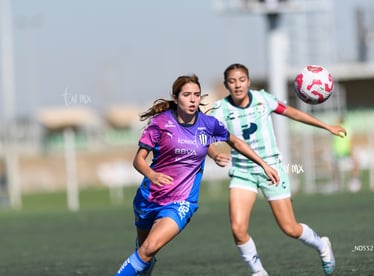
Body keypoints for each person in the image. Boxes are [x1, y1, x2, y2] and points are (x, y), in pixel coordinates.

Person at [114, 74, 280, 276]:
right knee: (144, 252)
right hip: (148, 198)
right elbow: (138, 160)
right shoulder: (161, 122)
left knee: (149, 248)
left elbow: (232, 142)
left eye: (196, 95)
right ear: (176, 98)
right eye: (186, 95)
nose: (193, 99)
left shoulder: (208, 123)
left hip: (181, 202)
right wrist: (152, 174)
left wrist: (263, 164)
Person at [208, 63, 347, 276]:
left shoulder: (263, 99)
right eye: (232, 81)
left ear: (248, 81)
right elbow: (204, 137)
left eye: (241, 79)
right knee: (238, 229)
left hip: (271, 169)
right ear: (226, 85)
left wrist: (327, 127)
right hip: (242, 172)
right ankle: (259, 272)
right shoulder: (220, 109)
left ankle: (322, 245)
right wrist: (214, 153)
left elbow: (293, 113)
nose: (237, 85)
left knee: (289, 228)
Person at [332, 116, 361, 192]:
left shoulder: (347, 127)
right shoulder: (334, 126)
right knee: (335, 166)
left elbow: (350, 140)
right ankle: (336, 184)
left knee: (356, 162)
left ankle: (353, 181)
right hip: (337, 151)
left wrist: (351, 150)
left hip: (346, 150)